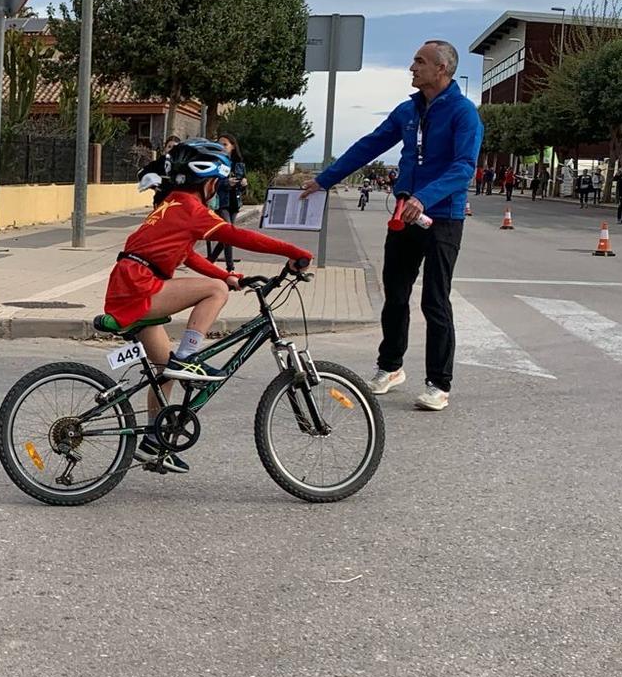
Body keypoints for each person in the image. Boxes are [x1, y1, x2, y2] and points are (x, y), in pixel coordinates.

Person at [107, 140, 313, 472]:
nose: (217, 191)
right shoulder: (193, 210)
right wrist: (293, 251)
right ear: (209, 183)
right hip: (138, 288)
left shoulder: (173, 204)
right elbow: (239, 236)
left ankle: (153, 443)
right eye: (217, 184)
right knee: (214, 292)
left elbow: (186, 254)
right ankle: (190, 357)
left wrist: (227, 274)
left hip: (129, 285)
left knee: (165, 370)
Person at [301, 39, 481, 412]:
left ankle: (438, 384)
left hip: (442, 216)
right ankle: (390, 367)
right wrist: (325, 179)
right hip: (404, 214)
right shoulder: (407, 111)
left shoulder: (464, 113)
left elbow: (464, 166)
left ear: (441, 69)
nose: (412, 68)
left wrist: (425, 197)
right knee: (395, 294)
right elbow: (368, 146)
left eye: (419, 61)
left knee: (435, 298)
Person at [205, 134, 249, 267]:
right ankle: (230, 267)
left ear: (233, 147)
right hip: (221, 202)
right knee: (229, 233)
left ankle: (211, 259)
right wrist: (226, 183)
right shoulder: (216, 163)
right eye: (220, 144)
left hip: (235, 202)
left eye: (225, 144)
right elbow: (211, 184)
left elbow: (243, 188)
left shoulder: (239, 165)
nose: (222, 147)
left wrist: (244, 184)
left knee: (227, 235)